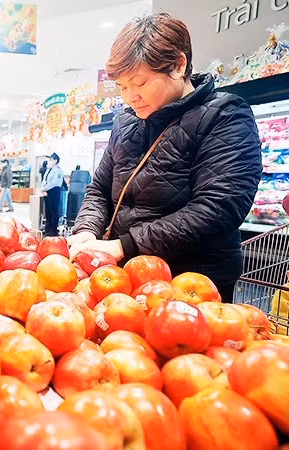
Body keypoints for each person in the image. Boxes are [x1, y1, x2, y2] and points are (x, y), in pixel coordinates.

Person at [68, 13, 262, 302]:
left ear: (178, 65)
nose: (130, 97)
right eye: (122, 87)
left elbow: (218, 207)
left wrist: (126, 245)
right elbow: (99, 189)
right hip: (123, 277)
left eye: (140, 83)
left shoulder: (225, 116)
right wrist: (86, 230)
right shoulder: (125, 122)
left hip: (191, 283)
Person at [41, 153, 64, 236]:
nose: (49, 161)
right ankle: (47, 228)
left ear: (55, 161)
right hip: (47, 191)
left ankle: (53, 229)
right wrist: (43, 188)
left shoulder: (58, 171)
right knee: (47, 211)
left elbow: (54, 183)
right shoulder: (49, 169)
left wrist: (45, 188)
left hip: (54, 191)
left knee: (54, 210)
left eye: (51, 159)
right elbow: (44, 179)